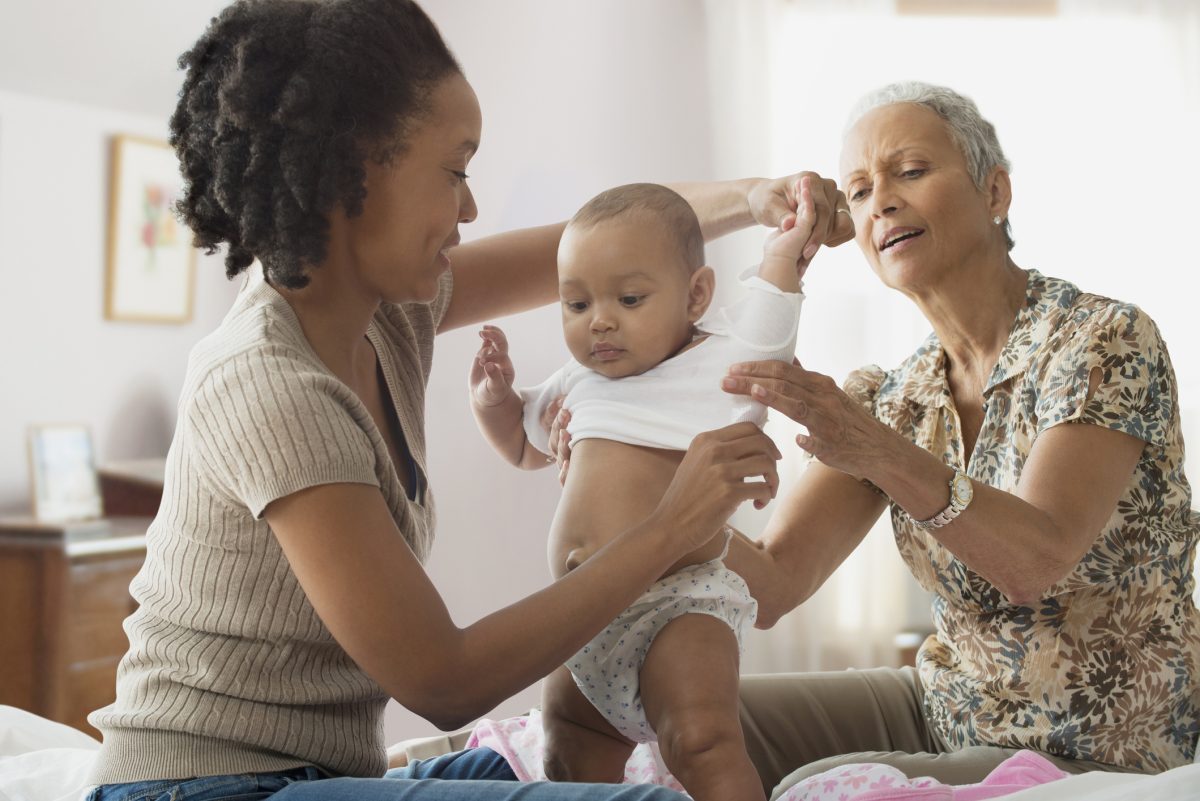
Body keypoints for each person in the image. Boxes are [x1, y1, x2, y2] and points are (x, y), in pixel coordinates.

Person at [82, 1, 853, 800]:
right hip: (202, 786)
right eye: (455, 170)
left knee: (538, 755)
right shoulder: (270, 383)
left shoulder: (388, 313)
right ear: (355, 167)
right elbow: (443, 681)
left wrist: (754, 197)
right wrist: (668, 528)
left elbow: (598, 241)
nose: (471, 207)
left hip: (317, 775)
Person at [712, 81, 1200, 795]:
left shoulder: (1100, 340)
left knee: (824, 787)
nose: (880, 201)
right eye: (858, 190)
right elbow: (772, 582)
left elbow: (1036, 559)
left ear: (994, 192)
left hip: (1097, 740)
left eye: (909, 171)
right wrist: (639, 495)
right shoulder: (891, 396)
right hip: (944, 707)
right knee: (691, 722)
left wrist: (875, 449)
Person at [467, 180, 816, 801]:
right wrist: (494, 402)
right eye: (575, 305)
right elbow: (525, 447)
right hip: (583, 617)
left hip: (677, 607)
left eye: (629, 298)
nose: (600, 321)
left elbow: (772, 325)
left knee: (702, 741)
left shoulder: (724, 365)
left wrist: (784, 254)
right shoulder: (578, 379)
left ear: (696, 295)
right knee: (567, 747)